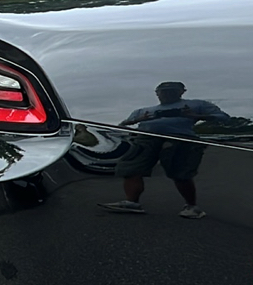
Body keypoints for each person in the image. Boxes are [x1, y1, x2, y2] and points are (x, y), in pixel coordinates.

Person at [98, 81, 230, 218]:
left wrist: (195, 116)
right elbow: (122, 126)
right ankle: (131, 202)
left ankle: (192, 206)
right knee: (130, 168)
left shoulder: (197, 104)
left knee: (180, 172)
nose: (167, 94)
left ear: (182, 92)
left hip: (180, 139)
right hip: (146, 139)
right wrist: (136, 120)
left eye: (172, 91)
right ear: (157, 93)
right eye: (163, 92)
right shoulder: (143, 110)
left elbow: (224, 118)